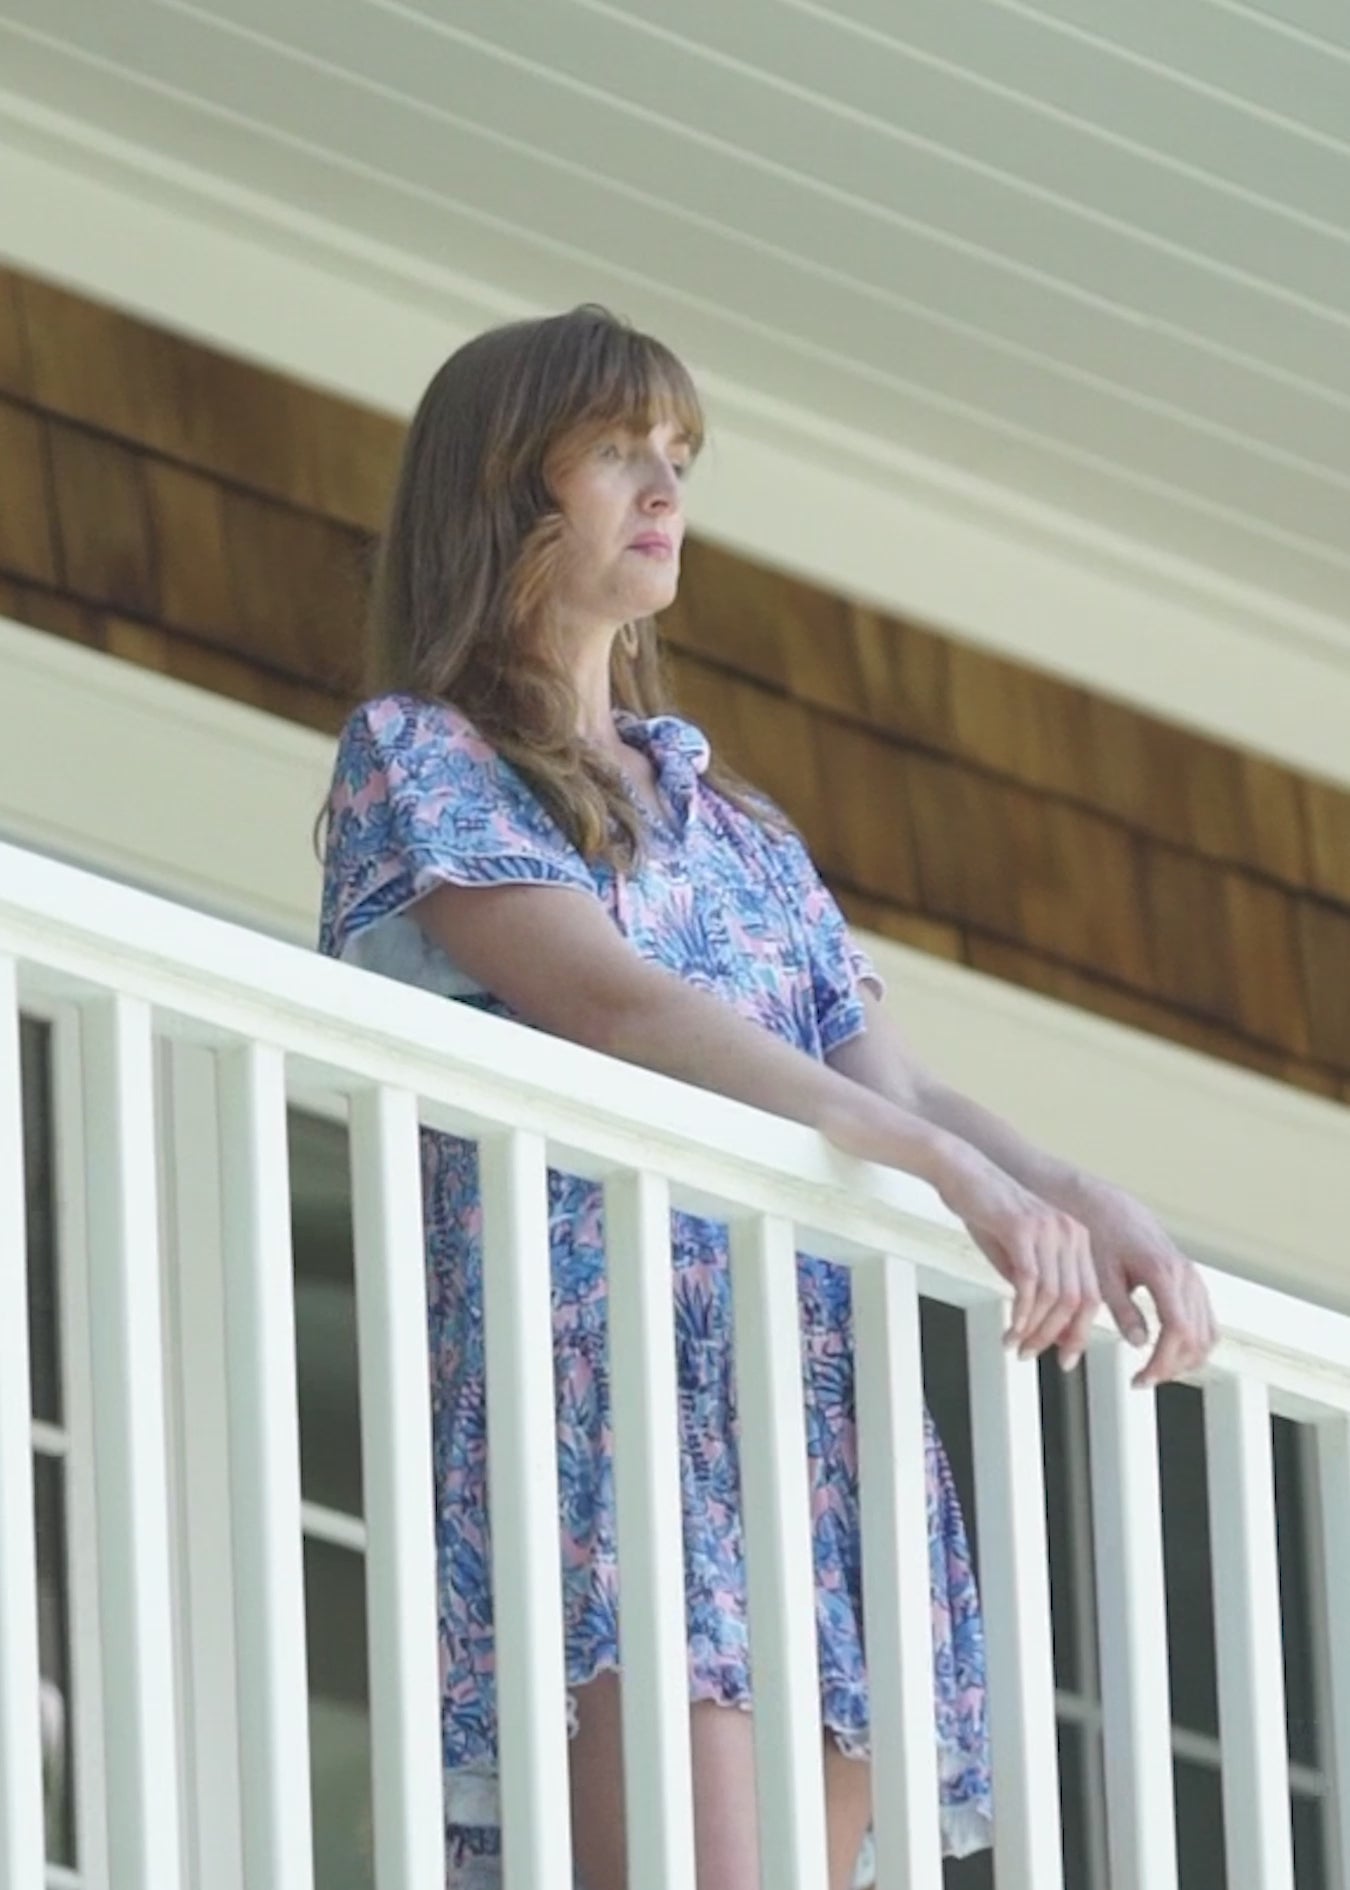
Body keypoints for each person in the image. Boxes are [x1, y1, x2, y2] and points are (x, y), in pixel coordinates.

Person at [318, 305, 1217, 1890]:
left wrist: (1078, 1195)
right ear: (501, 486)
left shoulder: (734, 823)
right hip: (603, 1382)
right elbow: (608, 998)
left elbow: (886, 1065)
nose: (663, 488)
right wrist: (935, 1164)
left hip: (805, 1410)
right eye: (615, 451)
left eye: (677, 458)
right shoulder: (421, 751)